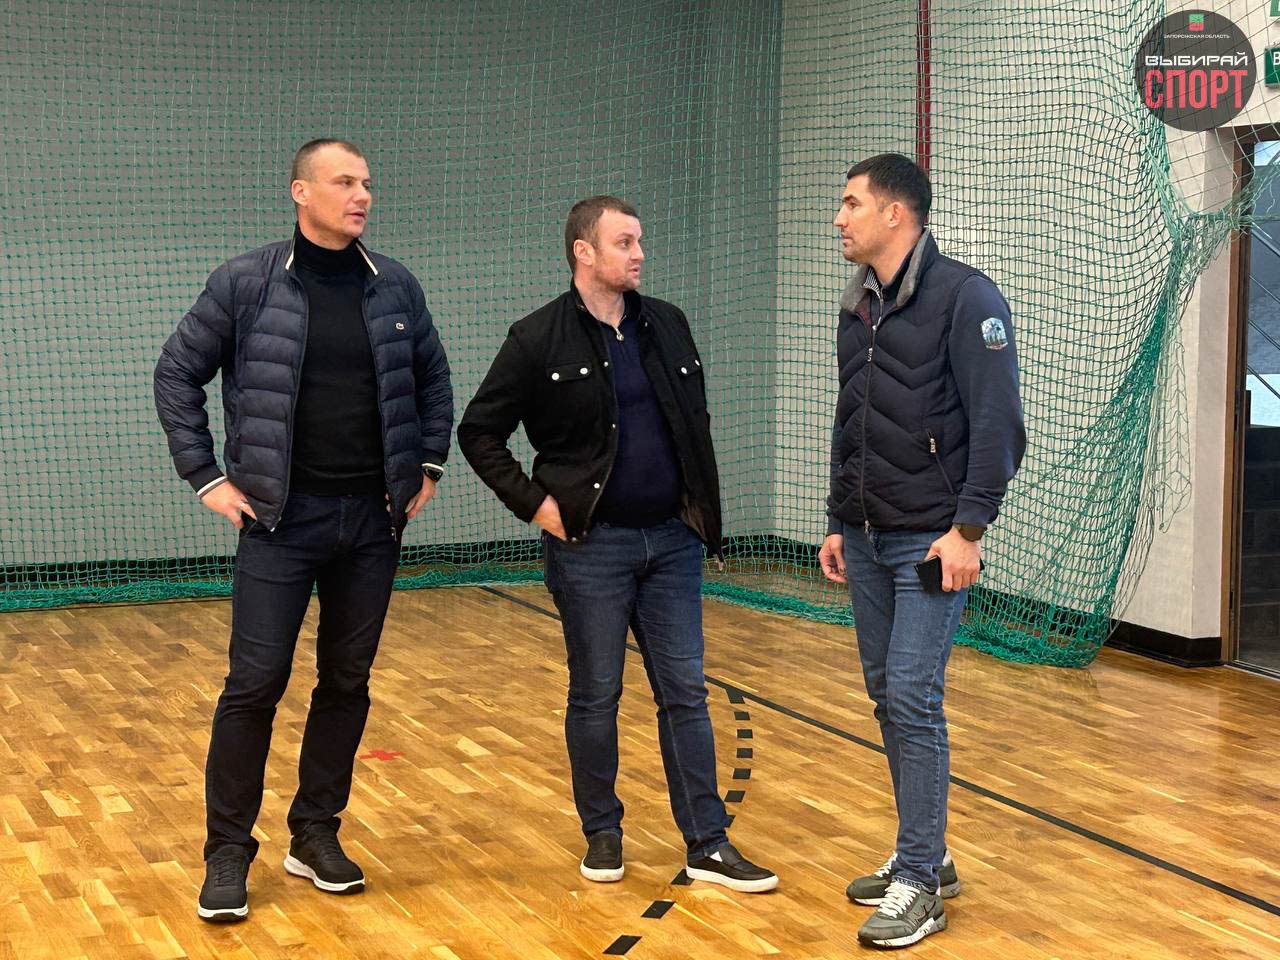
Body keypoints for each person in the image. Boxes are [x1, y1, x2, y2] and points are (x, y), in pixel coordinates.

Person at [154, 138, 453, 922]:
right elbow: (177, 372)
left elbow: (432, 380)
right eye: (344, 182)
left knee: (346, 682)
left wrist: (427, 466)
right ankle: (227, 851)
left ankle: (315, 833)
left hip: (373, 523)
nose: (362, 196)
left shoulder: (396, 286)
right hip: (280, 523)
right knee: (254, 685)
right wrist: (206, 477)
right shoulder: (246, 282)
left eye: (367, 183)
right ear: (301, 192)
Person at [458, 195, 776, 893]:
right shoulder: (535, 338)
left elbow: (693, 422)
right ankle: (602, 832)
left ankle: (708, 842)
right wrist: (537, 505)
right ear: (584, 252)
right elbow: (478, 432)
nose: (639, 254)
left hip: (673, 543)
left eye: (639, 242)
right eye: (624, 242)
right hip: (590, 548)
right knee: (596, 693)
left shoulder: (668, 323)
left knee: (685, 692)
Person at [818, 153, 1025, 948]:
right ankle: (927, 855)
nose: (839, 218)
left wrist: (969, 530)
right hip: (866, 535)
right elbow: (853, 419)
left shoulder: (968, 298)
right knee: (886, 694)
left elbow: (999, 425)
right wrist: (838, 517)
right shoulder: (858, 304)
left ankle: (919, 885)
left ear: (894, 213)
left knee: (911, 695)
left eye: (851, 203)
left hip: (932, 540)